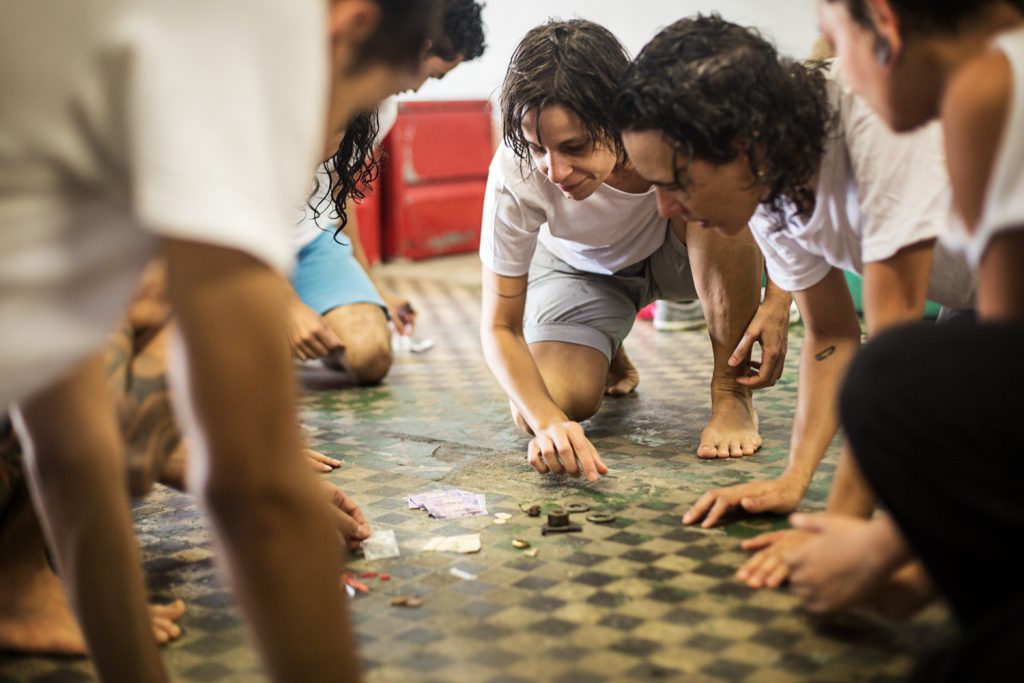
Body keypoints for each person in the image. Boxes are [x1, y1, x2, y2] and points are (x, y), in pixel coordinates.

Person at [0, 1, 439, 681]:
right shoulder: (244, 29)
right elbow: (254, 495)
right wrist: (253, 466)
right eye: (365, 97)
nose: (334, 140)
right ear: (349, 19)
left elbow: (66, 440)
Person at [612, 16, 975, 588]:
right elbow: (832, 336)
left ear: (738, 143)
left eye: (676, 182)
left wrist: (835, 531)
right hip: (981, 298)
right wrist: (795, 480)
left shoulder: (874, 120)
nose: (663, 209)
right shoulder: (767, 185)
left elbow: (891, 359)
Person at [776, 1, 1024, 678]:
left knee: (895, 378)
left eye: (835, 41)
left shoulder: (993, 90)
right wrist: (919, 574)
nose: (833, 71)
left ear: (883, 24)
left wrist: (879, 547)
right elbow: (1008, 383)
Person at [481, 19, 788, 481]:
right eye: (537, 147)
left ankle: (730, 394)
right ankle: (605, 343)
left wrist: (780, 297)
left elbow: (772, 198)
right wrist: (549, 423)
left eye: (574, 146)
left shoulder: (671, 125)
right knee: (543, 404)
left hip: (682, 252)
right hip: (582, 271)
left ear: (617, 114)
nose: (555, 170)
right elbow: (500, 326)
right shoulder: (516, 170)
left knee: (715, 204)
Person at [288, 0, 487, 383]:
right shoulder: (284, 81)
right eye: (429, 71)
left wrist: (372, 287)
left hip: (308, 238)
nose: (414, 85)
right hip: (239, 241)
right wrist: (282, 303)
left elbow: (339, 194)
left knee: (370, 354)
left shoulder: (379, 110)